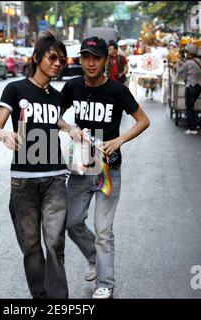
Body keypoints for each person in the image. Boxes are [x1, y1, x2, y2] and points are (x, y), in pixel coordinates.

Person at [59, 36, 150, 299]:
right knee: (72, 222)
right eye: (85, 57)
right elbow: (56, 117)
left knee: (103, 230)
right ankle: (93, 258)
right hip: (80, 168)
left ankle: (105, 283)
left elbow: (143, 121)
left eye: (95, 58)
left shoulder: (117, 90)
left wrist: (120, 139)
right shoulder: (72, 87)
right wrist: (70, 127)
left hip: (109, 170)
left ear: (105, 61)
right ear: (80, 59)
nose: (90, 63)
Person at [0, 31, 69, 299]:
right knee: (31, 246)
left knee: (55, 242)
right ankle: (41, 298)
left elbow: (53, 120)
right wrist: (5, 135)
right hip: (23, 181)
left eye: (62, 60)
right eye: (52, 58)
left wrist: (71, 128)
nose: (58, 63)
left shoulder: (58, 97)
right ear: (37, 58)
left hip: (56, 178)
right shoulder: (15, 89)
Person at [176, 43, 201, 135]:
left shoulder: (188, 62)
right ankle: (194, 125)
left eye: (187, 52)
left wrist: (178, 63)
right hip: (198, 86)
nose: (186, 54)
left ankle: (192, 128)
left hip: (191, 86)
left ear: (190, 53)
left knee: (189, 108)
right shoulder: (199, 61)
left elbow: (179, 71)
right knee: (192, 107)